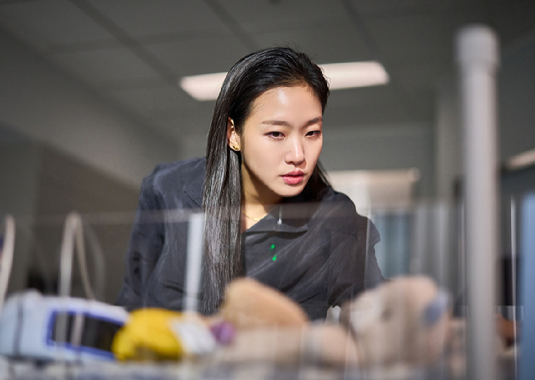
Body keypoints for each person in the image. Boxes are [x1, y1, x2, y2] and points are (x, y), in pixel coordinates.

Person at [116, 47, 384, 320]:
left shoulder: (334, 219)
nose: (298, 155)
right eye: (277, 133)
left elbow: (382, 323)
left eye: (312, 132)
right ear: (233, 134)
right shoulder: (167, 190)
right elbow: (130, 309)